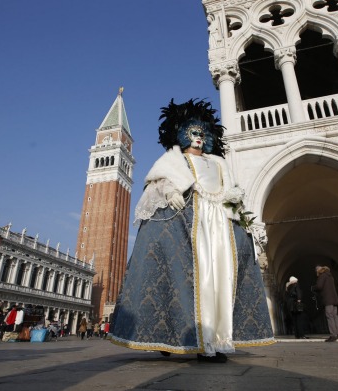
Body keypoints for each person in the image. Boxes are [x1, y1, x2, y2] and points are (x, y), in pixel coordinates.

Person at [110, 99, 275, 363]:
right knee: (189, 280)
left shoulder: (219, 162)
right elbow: (159, 181)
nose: (198, 138)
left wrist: (243, 221)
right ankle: (188, 339)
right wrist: (170, 190)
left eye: (202, 133)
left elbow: (230, 193)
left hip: (219, 227)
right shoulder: (175, 159)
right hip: (188, 225)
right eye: (193, 132)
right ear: (182, 134)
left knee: (220, 280)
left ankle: (217, 339)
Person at [312, 266, 338, 342]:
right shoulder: (330, 276)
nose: (316, 272)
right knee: (335, 316)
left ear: (319, 270)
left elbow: (319, 286)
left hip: (328, 299)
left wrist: (313, 288)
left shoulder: (322, 276)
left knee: (329, 316)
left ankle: (333, 335)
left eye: (316, 271)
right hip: (334, 299)